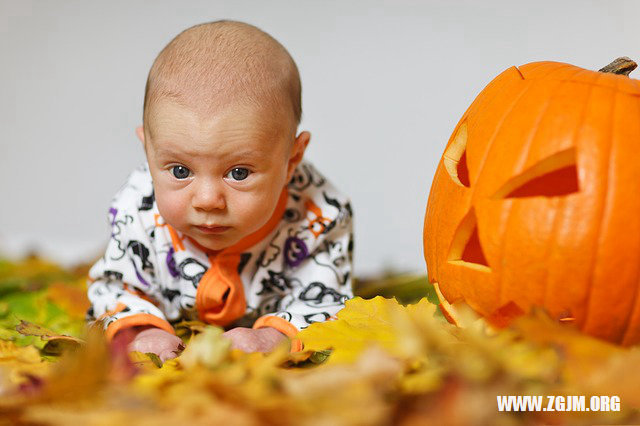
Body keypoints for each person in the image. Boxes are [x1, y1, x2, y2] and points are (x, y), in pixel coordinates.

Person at [86, 20, 353, 361]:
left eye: (238, 173)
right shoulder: (137, 207)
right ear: (148, 154)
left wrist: (274, 336)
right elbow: (113, 286)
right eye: (180, 171)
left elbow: (328, 298)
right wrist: (142, 328)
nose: (208, 200)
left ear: (291, 160)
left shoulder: (320, 214)